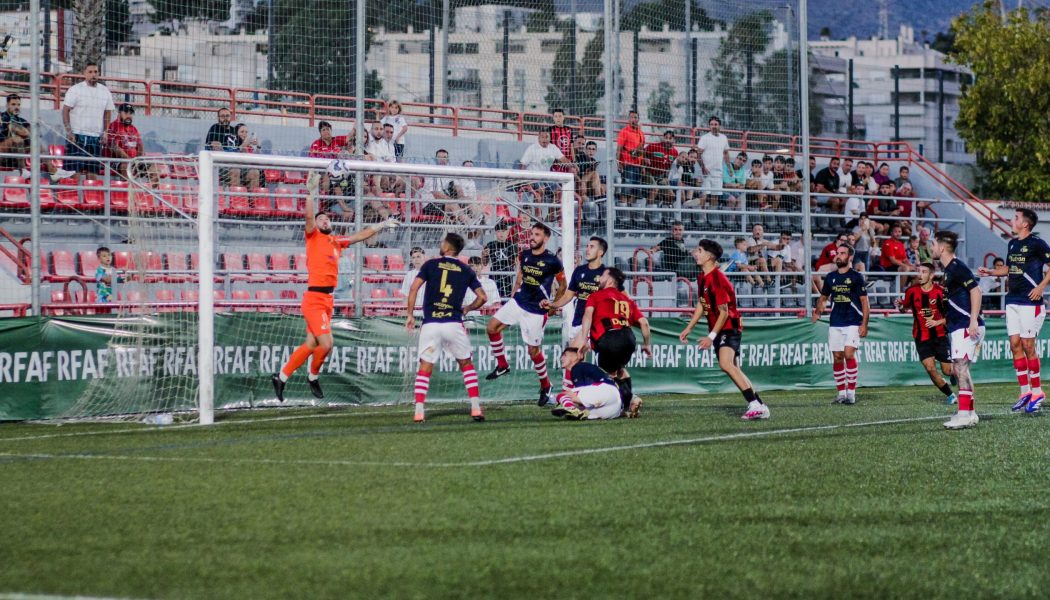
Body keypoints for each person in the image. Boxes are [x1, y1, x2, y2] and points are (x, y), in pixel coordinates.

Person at [271, 172, 399, 402]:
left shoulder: (335, 242)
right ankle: (312, 376)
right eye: (321, 220)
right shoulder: (313, 237)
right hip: (314, 299)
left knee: (312, 343)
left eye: (327, 219)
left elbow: (361, 235)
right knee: (327, 343)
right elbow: (309, 218)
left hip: (328, 300)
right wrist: (311, 193)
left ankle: (281, 377)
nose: (324, 220)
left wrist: (382, 224)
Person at [679, 239, 771, 420]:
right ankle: (759, 404)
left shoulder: (717, 279)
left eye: (699, 250)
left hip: (729, 327)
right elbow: (702, 304)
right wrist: (689, 327)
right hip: (721, 328)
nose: (695, 253)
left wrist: (711, 336)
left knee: (726, 364)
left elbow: (724, 312)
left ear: (709, 257)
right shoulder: (703, 277)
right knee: (734, 367)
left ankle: (754, 404)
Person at [405, 233, 487, 423]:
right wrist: (467, 308)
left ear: (448, 248)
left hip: (431, 323)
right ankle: (475, 408)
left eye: (443, 242)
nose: (440, 244)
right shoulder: (466, 269)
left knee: (425, 367)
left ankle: (419, 411)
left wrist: (410, 314)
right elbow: (483, 297)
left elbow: (414, 288)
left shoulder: (430, 264)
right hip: (453, 323)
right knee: (466, 364)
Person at [485, 222, 566, 407]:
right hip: (519, 301)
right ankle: (502, 365)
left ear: (546, 238)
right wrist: (514, 292)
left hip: (536, 310)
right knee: (491, 327)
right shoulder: (525, 254)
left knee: (532, 351)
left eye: (537, 235)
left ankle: (546, 385)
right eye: (531, 234)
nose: (532, 237)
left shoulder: (553, 261)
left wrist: (554, 305)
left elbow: (563, 285)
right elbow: (521, 274)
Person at [977, 208, 1050, 414]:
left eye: (1016, 217)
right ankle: (1025, 392)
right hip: (1012, 300)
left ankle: (1037, 392)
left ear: (1025, 224)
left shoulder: (1037, 243)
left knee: (1028, 345)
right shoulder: (1012, 243)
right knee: (1015, 345)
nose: (1012, 220)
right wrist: (991, 271)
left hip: (1030, 301)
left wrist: (1041, 287)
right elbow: (1009, 269)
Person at [570, 266, 652, 416]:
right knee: (619, 369)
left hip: (609, 339)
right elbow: (644, 323)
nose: (599, 278)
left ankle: (626, 401)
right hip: (629, 339)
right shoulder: (627, 300)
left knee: (605, 377)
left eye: (602, 276)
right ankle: (628, 402)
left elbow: (587, 315)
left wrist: (583, 338)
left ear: (609, 280)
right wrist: (646, 345)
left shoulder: (596, 296)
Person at [542, 236, 607, 393]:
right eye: (587, 246)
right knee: (578, 363)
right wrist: (553, 304)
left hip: (594, 325)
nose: (587, 249)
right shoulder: (580, 271)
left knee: (570, 357)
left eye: (592, 246)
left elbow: (618, 295)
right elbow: (568, 295)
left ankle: (566, 397)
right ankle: (580, 395)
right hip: (578, 322)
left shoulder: (606, 274)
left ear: (600, 252)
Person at [934, 230, 985, 429]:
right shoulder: (948, 271)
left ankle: (964, 415)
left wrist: (973, 321)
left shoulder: (956, 267)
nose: (932, 248)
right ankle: (969, 413)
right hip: (958, 326)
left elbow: (976, 290)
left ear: (942, 247)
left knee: (961, 368)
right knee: (959, 368)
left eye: (933, 244)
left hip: (966, 326)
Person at [812, 244, 870, 405]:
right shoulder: (830, 277)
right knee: (837, 357)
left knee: (849, 354)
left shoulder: (857, 277)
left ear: (850, 257)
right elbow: (823, 298)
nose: (838, 256)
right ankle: (841, 393)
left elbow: (865, 302)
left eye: (842, 253)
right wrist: (817, 311)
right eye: (837, 253)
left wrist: (865, 324)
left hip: (853, 320)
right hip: (835, 321)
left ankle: (851, 393)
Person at [895, 263, 957, 404]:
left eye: (923, 272)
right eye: (918, 272)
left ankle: (953, 373)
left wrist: (937, 322)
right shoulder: (911, 291)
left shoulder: (940, 292)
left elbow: (951, 315)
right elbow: (905, 309)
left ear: (931, 275)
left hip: (940, 335)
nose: (919, 275)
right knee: (930, 368)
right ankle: (950, 395)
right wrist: (900, 306)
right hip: (921, 336)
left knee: (947, 370)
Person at [62, 63, 115, 180]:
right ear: (84, 74)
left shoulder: (105, 91)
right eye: (90, 72)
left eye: (95, 72)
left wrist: (105, 132)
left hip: (95, 137)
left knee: (92, 173)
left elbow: (108, 112)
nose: (93, 75)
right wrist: (69, 131)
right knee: (73, 172)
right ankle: (72, 197)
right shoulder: (75, 89)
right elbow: (65, 110)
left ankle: (90, 196)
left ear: (99, 74)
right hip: (77, 135)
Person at [552, 346, 629, 420]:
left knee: (562, 395)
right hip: (615, 408)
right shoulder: (587, 367)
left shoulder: (578, 367)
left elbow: (577, 397)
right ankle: (574, 411)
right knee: (581, 411)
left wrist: (564, 402)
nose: (561, 358)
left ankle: (570, 408)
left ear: (576, 356)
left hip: (604, 391)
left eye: (565, 355)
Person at [0, 94, 68, 177]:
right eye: (13, 104)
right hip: (2, 153)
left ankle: (53, 171)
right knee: (17, 139)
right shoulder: (2, 116)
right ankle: (23, 170)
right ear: (7, 105)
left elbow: (35, 134)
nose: (16, 107)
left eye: (18, 105)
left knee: (38, 145)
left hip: (15, 154)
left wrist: (36, 125)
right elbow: (21, 131)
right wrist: (26, 131)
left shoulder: (22, 120)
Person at [104, 103, 159, 185]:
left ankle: (150, 195)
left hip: (133, 161)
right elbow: (114, 147)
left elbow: (140, 146)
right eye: (126, 113)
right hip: (114, 161)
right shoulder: (113, 126)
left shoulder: (133, 129)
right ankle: (127, 194)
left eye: (131, 113)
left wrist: (138, 160)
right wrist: (131, 160)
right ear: (119, 113)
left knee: (154, 169)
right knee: (125, 167)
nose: (129, 115)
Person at [697, 116, 730, 207]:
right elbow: (698, 154)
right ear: (709, 126)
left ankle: (712, 217)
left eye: (715, 124)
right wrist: (703, 168)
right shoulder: (705, 138)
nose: (713, 126)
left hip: (718, 172)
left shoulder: (724, 138)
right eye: (711, 124)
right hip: (706, 171)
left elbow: (726, 153)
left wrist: (729, 168)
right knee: (704, 194)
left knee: (715, 196)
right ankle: (701, 216)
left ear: (719, 126)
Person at [615, 109, 646, 206]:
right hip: (627, 165)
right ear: (628, 119)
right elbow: (619, 149)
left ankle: (631, 214)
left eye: (636, 117)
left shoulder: (641, 134)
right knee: (626, 190)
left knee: (635, 192)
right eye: (632, 117)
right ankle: (623, 211)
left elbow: (642, 151)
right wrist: (619, 163)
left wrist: (643, 166)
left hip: (637, 165)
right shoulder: (624, 132)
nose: (634, 119)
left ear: (638, 119)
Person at [643, 130, 678, 205]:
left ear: (674, 140)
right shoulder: (653, 146)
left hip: (661, 176)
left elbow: (669, 167)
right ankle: (648, 213)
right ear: (663, 138)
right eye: (666, 138)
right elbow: (642, 152)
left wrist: (666, 177)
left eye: (670, 138)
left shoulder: (675, 152)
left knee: (671, 196)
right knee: (655, 189)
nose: (668, 140)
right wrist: (645, 158)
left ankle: (664, 211)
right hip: (649, 173)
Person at [483, 219, 516, 299]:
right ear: (495, 232)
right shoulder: (490, 245)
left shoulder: (511, 245)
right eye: (499, 231)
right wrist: (484, 255)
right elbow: (485, 263)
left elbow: (516, 261)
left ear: (507, 232)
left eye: (503, 231)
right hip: (495, 274)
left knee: (507, 298)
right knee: (495, 297)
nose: (501, 233)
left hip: (508, 275)